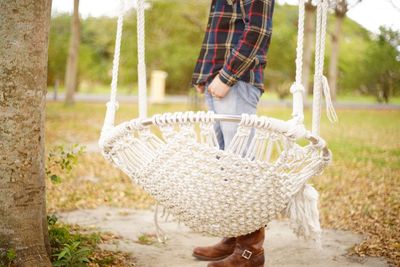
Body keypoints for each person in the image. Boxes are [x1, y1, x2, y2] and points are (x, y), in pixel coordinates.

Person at [191, 0, 275, 266]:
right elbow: (222, 27)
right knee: (227, 169)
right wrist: (204, 75)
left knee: (241, 168)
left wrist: (226, 76)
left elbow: (258, 31)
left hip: (236, 81)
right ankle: (235, 237)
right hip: (220, 80)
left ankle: (251, 250)